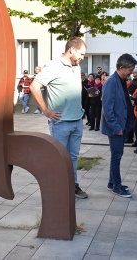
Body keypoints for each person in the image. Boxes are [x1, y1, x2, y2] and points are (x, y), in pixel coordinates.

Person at [30, 37, 88, 199]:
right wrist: (46, 110)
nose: (82, 57)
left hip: (77, 120)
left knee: (73, 157)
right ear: (72, 50)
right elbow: (34, 86)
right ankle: (57, 188)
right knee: (58, 157)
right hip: (60, 123)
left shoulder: (75, 67)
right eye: (81, 54)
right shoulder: (53, 66)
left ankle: (72, 185)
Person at [101, 53, 137, 198]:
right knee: (116, 156)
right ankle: (117, 186)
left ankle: (111, 183)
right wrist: (116, 128)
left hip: (122, 125)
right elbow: (107, 109)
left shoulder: (121, 81)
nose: (131, 73)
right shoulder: (111, 82)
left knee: (116, 156)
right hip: (116, 128)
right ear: (121, 68)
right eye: (130, 70)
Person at [125, 69, 137, 144]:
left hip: (133, 105)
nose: (134, 73)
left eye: (136, 72)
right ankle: (128, 136)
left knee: (132, 122)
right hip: (129, 105)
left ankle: (130, 137)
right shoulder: (131, 83)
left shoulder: (134, 84)